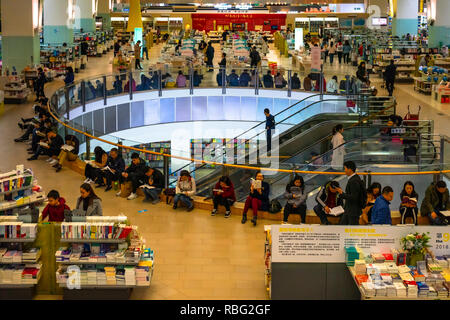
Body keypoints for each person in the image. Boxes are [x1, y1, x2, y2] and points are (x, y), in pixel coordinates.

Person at [336, 161, 366, 225]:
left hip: (352, 211)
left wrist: (342, 194)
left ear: (350, 169)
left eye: (345, 168)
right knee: (343, 227)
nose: (344, 170)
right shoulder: (355, 179)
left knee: (352, 231)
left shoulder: (353, 181)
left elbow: (354, 197)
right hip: (350, 210)